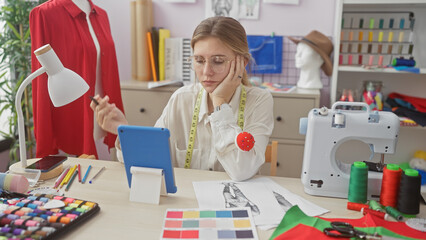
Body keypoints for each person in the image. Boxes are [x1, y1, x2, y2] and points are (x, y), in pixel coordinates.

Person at [91, 16, 274, 181]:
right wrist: (124, 132)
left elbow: (241, 171)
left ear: (242, 64)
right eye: (199, 60)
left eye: (218, 61)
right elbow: (152, 161)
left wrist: (219, 103)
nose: (206, 72)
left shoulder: (259, 101)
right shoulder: (182, 99)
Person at [30, 0, 124, 159]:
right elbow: (41, 79)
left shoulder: (102, 15)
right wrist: (44, 137)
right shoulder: (44, 14)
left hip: (102, 110)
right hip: (71, 114)